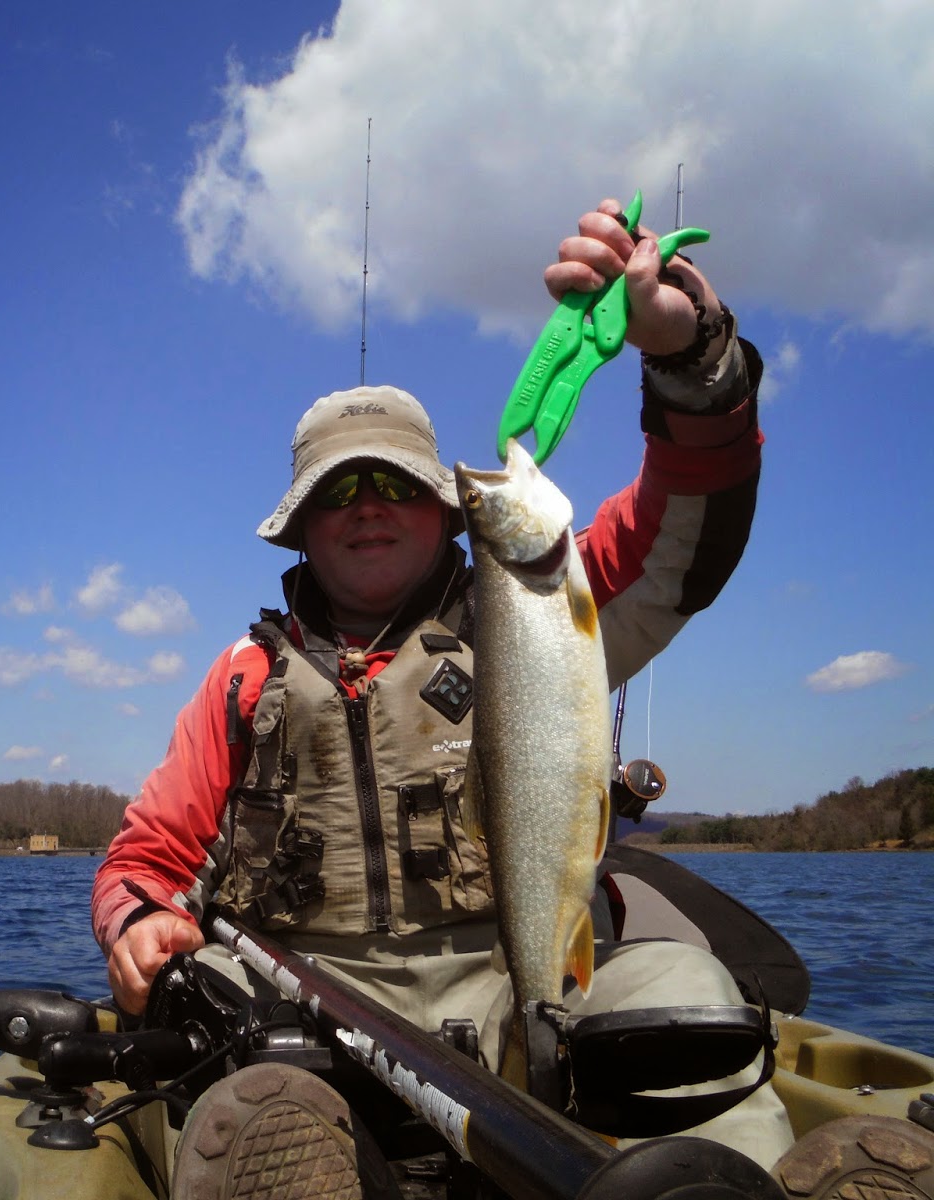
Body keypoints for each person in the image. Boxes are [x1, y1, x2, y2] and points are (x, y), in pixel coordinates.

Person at [90, 198, 796, 1174]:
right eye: (337, 491)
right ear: (300, 527)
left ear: (441, 509)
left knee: (681, 985)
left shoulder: (545, 598)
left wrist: (690, 361)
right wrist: (137, 921)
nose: (366, 506)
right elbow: (145, 854)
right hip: (306, 1027)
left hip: (518, 996)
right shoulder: (243, 681)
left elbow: (684, 537)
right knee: (248, 1092)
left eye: (392, 483)